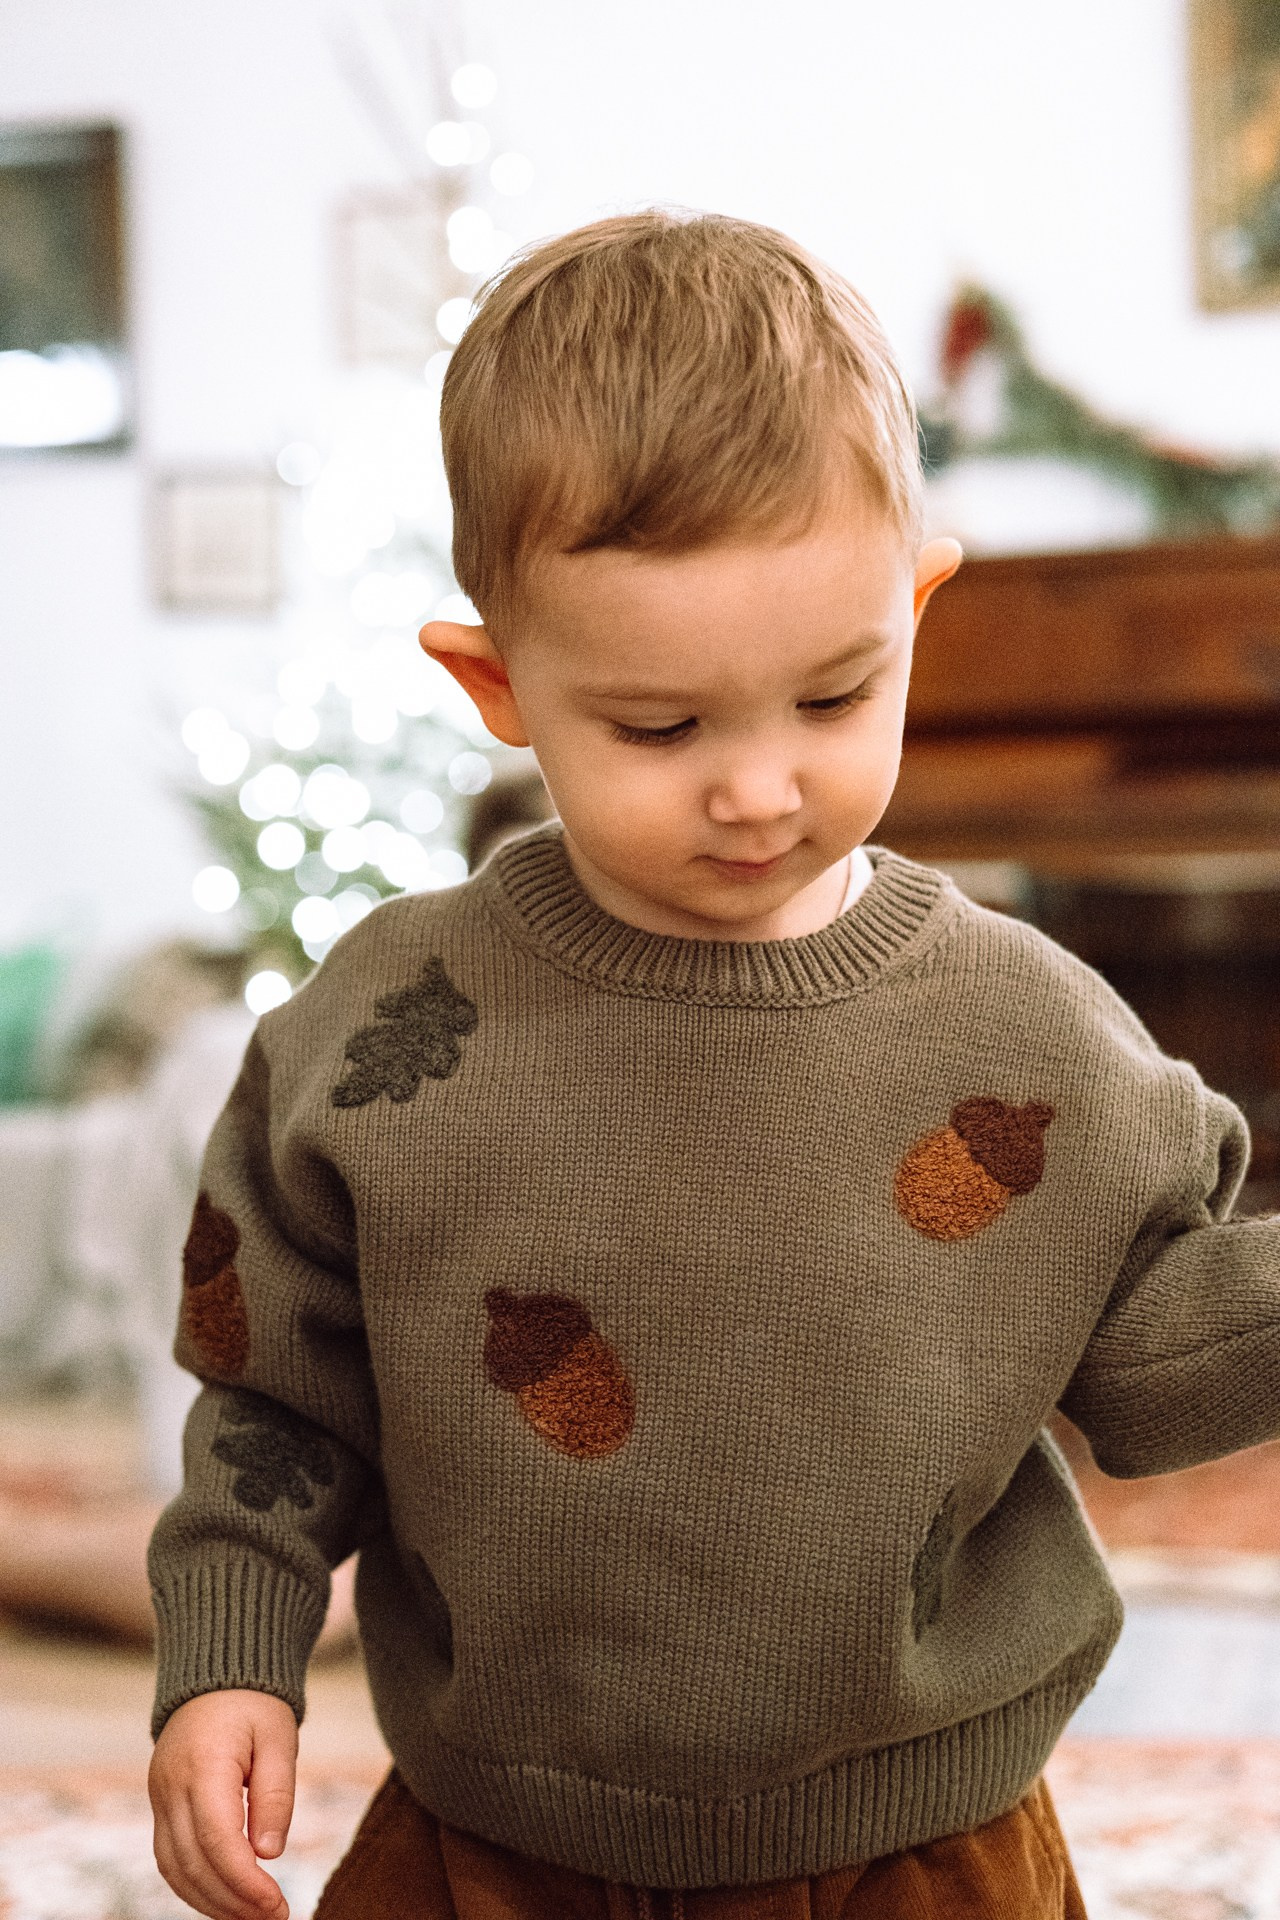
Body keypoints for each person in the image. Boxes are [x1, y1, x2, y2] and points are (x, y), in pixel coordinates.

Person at [146, 210, 1279, 1920]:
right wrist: (230, 1654)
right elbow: (277, 1390)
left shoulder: (1027, 1039)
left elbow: (1150, 1357)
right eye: (661, 729)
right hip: (492, 1841)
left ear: (918, 605)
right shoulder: (385, 1044)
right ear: (496, 684)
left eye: (835, 698)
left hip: (923, 1848)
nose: (760, 789)